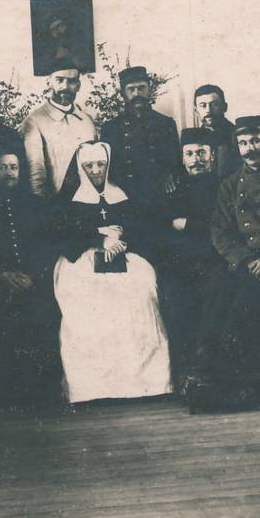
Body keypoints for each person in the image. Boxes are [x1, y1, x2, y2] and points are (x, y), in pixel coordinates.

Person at [184, 116, 260, 411]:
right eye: (243, 143)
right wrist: (245, 259)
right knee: (218, 295)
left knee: (245, 303)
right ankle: (209, 378)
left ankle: (232, 385)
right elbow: (219, 231)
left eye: (256, 141)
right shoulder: (230, 184)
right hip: (248, 260)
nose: (249, 148)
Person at [53, 141, 171, 403]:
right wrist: (98, 240)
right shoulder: (69, 199)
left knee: (140, 289)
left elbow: (141, 228)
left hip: (126, 256)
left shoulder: (122, 194)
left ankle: (144, 384)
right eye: (89, 165)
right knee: (90, 298)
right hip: (81, 261)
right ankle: (93, 388)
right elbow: (62, 236)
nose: (96, 170)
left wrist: (121, 241)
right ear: (80, 168)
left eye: (101, 164)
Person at [0, 147, 63, 407]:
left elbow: (47, 246)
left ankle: (42, 392)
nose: (9, 173)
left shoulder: (35, 205)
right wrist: (1, 273)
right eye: (3, 167)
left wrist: (33, 276)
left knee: (44, 318)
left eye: (13, 167)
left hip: (33, 281)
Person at [156, 127, 224, 388]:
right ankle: (183, 373)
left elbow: (221, 226)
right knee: (175, 301)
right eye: (190, 154)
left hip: (212, 259)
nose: (196, 159)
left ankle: (204, 370)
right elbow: (160, 226)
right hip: (177, 262)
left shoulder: (223, 186)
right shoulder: (169, 188)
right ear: (182, 157)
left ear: (212, 156)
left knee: (215, 296)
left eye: (201, 153)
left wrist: (187, 224)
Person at [99, 66, 180, 207]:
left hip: (159, 197)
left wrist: (169, 174)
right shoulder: (110, 128)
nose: (137, 93)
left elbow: (176, 161)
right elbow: (107, 170)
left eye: (141, 88)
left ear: (149, 90)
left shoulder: (166, 123)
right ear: (123, 93)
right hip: (125, 198)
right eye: (131, 89)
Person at [20, 59, 97, 199]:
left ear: (78, 85)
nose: (65, 87)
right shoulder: (34, 121)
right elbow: (35, 174)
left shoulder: (87, 121)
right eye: (59, 80)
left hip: (89, 203)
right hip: (56, 207)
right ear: (49, 82)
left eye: (71, 81)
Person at [193, 84, 240, 178]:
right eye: (203, 106)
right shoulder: (192, 139)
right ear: (196, 111)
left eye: (214, 104)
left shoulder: (238, 135)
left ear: (224, 107)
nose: (208, 110)